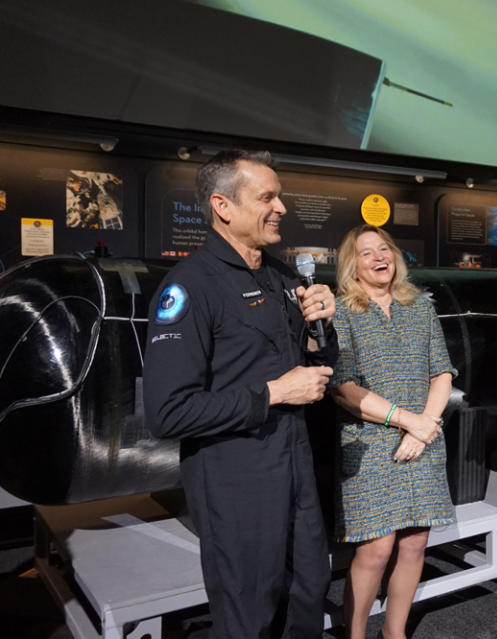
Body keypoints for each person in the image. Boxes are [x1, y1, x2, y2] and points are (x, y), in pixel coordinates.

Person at [143, 150, 338, 639]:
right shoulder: (190, 286)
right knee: (250, 614)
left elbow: (313, 366)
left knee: (309, 592)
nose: (282, 208)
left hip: (296, 468)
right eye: (267, 197)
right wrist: (273, 392)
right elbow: (168, 413)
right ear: (222, 206)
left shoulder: (282, 277)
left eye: (280, 196)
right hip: (237, 482)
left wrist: (321, 332)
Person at [329, 224, 455, 639]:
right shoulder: (342, 311)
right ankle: (357, 633)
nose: (379, 257)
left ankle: (395, 632)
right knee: (376, 548)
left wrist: (423, 429)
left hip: (422, 440)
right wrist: (409, 421)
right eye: (366, 253)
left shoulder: (419, 305)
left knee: (416, 543)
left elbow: (442, 372)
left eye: (384, 249)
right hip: (368, 443)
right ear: (353, 265)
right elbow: (344, 390)